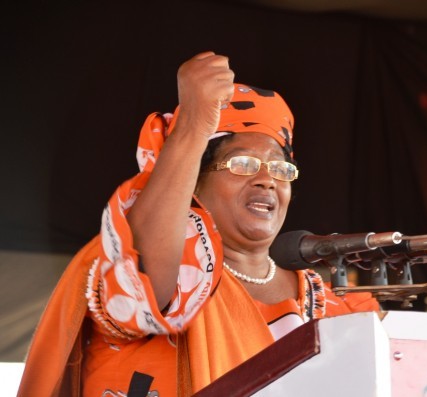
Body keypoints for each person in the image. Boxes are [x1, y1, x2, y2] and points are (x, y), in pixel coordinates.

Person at [17, 51, 380, 396]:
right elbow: (138, 287)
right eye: (244, 164)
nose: (267, 180)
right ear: (194, 181)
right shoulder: (172, 272)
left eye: (280, 169)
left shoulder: (341, 309)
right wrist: (194, 125)